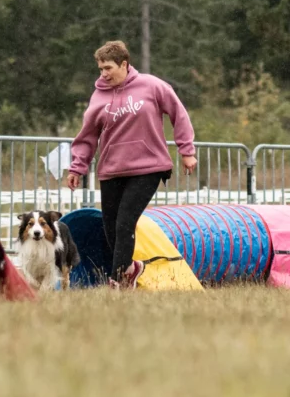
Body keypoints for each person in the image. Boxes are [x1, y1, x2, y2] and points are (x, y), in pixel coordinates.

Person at [66, 40, 197, 289]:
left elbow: (178, 113)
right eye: (100, 69)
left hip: (149, 166)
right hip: (111, 169)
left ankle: (118, 281)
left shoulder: (152, 86)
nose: (103, 74)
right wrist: (77, 167)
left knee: (125, 222)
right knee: (110, 228)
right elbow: (87, 135)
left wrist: (186, 150)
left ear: (124, 64)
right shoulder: (99, 96)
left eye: (108, 68)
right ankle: (131, 267)